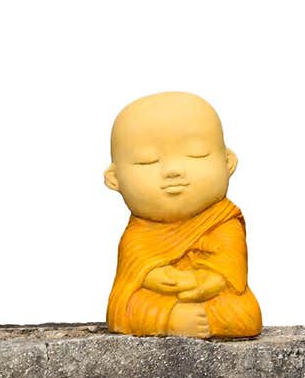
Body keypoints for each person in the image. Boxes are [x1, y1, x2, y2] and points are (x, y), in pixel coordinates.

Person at [104, 92, 262, 339]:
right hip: (158, 298)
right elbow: (134, 272)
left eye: (196, 154)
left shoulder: (224, 220)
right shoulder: (137, 233)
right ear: (115, 179)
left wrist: (212, 281)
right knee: (126, 308)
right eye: (147, 161)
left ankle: (186, 319)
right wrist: (156, 277)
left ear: (228, 162)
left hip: (210, 296)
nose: (173, 170)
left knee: (245, 312)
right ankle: (171, 320)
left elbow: (230, 267)